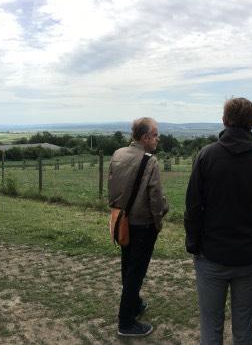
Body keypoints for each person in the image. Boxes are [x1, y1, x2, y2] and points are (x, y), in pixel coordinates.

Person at [185, 97, 252, 345]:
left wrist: (194, 244)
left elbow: (193, 207)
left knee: (211, 323)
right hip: (249, 257)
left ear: (224, 120)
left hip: (211, 255)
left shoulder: (206, 156)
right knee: (244, 325)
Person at [108, 117, 169, 337]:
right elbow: (155, 197)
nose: (157, 139)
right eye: (155, 135)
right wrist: (160, 218)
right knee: (136, 272)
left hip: (122, 220)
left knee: (128, 265)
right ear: (145, 137)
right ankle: (126, 323)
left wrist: (119, 210)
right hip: (143, 224)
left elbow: (112, 188)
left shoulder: (118, 154)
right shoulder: (149, 160)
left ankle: (134, 304)